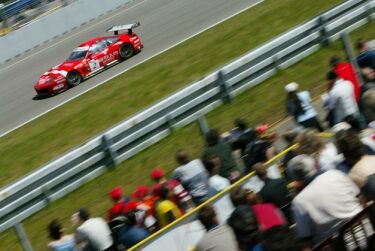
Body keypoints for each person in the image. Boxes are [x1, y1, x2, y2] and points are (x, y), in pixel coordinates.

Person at [288, 155, 362, 245]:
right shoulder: (335, 174)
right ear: (314, 166)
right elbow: (359, 198)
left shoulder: (299, 202)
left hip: (339, 246)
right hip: (367, 232)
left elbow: (305, 237)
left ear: (295, 180)